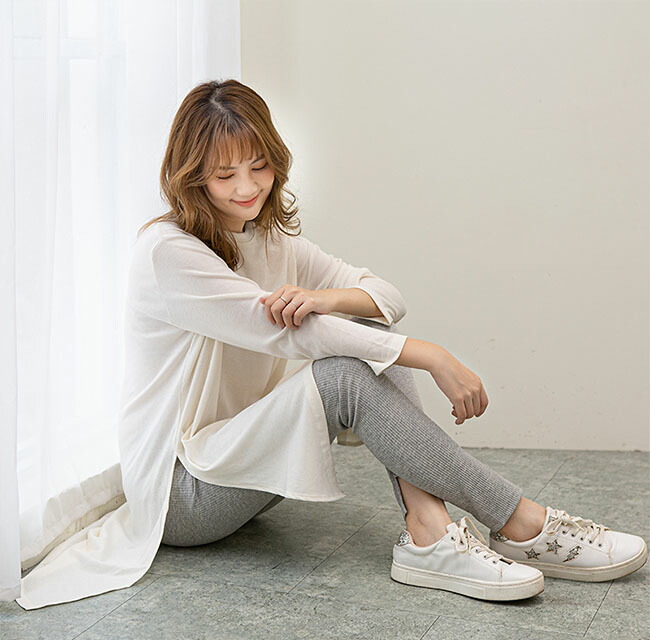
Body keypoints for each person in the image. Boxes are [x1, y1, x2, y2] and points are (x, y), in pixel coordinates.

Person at [15, 78, 645, 611]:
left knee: (367, 332)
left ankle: (430, 534)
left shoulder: (268, 238)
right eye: (225, 174)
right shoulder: (168, 254)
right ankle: (521, 522)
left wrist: (326, 298)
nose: (247, 187)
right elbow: (286, 333)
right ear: (192, 176)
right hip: (185, 493)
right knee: (348, 366)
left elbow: (385, 296)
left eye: (259, 166)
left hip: (244, 463)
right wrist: (433, 356)